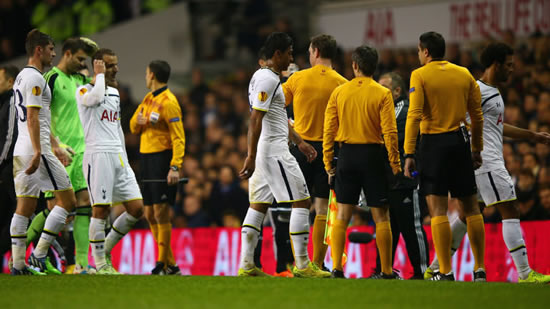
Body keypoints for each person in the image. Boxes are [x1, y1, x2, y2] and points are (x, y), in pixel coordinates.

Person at [425, 42, 550, 283]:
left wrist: (532, 136)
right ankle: (525, 274)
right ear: (496, 64)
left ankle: (435, 267)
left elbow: (498, 127)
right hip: (486, 161)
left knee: (466, 215)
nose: (512, 70)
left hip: (479, 162)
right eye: (509, 65)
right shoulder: (478, 90)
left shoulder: (490, 91)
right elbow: (457, 118)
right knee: (510, 209)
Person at [238, 32, 329, 278]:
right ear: (277, 54)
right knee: (302, 201)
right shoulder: (268, 80)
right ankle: (302, 266)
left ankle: (246, 265)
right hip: (274, 151)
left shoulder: (261, 77)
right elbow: (255, 119)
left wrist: (299, 142)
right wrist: (250, 154)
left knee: (257, 206)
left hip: (268, 151)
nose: (291, 57)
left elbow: (275, 117)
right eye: (288, 52)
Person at [403, 31, 485, 281]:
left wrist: (408, 152)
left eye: (419, 51)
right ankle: (479, 269)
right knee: (471, 208)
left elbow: (414, 114)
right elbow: (477, 115)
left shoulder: (420, 74)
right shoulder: (464, 73)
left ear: (426, 51)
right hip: (460, 141)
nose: (418, 55)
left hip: (433, 144)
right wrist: (476, 149)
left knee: (437, 210)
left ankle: (446, 272)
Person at [324, 45, 401, 279]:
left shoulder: (340, 92)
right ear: (374, 67)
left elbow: (329, 130)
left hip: (347, 156)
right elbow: (390, 132)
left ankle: (337, 268)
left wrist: (329, 163)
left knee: (342, 215)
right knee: (381, 216)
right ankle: (386, 271)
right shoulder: (382, 93)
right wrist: (395, 164)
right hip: (373, 157)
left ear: (355, 65)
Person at [23, 37, 98, 275]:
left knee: (85, 204)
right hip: (59, 152)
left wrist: (95, 56)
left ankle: (81, 265)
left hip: (81, 153)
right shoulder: (50, 78)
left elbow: (99, 83)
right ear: (67, 54)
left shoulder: (80, 80)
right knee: (56, 208)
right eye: (79, 58)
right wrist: (53, 144)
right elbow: (38, 115)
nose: (81, 63)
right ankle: (19, 253)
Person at [10, 29, 75, 275]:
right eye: (50, 49)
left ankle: (17, 265)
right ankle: (38, 254)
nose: (54, 54)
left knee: (24, 208)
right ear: (39, 50)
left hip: (22, 150)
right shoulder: (36, 78)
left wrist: (55, 145)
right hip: (37, 151)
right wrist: (41, 150)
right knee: (68, 201)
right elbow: (34, 118)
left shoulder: (20, 78)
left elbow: (38, 119)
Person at [282, 34, 347, 268]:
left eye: (310, 51)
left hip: (301, 147)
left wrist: (292, 134)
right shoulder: (342, 83)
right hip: (329, 150)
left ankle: (299, 263)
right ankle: (319, 263)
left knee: (299, 205)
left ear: (316, 52)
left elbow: (275, 108)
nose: (309, 55)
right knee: (322, 208)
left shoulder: (298, 78)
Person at [76, 48, 144, 274]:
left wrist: (123, 156)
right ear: (99, 66)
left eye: (116, 64)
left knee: (136, 208)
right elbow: (95, 98)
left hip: (117, 156)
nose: (117, 68)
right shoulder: (83, 90)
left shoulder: (114, 93)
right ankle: (100, 263)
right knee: (101, 210)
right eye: (111, 65)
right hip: (98, 154)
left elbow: (116, 128)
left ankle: (104, 249)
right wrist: (99, 76)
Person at [364, 71, 429, 280]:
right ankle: (384, 271)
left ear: (397, 91)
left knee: (412, 227)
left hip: (405, 180)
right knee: (387, 227)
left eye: (384, 88)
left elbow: (392, 136)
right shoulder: (383, 110)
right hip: (386, 180)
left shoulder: (405, 110)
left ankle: (422, 271)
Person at [130, 60, 185, 275]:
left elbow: (179, 137)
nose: (145, 77)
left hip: (162, 159)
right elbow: (133, 126)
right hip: (146, 160)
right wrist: (141, 121)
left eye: (146, 73)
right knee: (149, 213)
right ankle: (170, 264)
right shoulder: (147, 99)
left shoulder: (169, 102)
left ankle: (162, 263)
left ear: (152, 75)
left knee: (161, 213)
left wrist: (175, 166)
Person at [0, 65, 19, 261]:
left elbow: (9, 137)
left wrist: (0, 162)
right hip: (6, 167)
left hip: (10, 168)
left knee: (16, 213)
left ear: (10, 82)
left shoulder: (13, 101)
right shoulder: (4, 102)